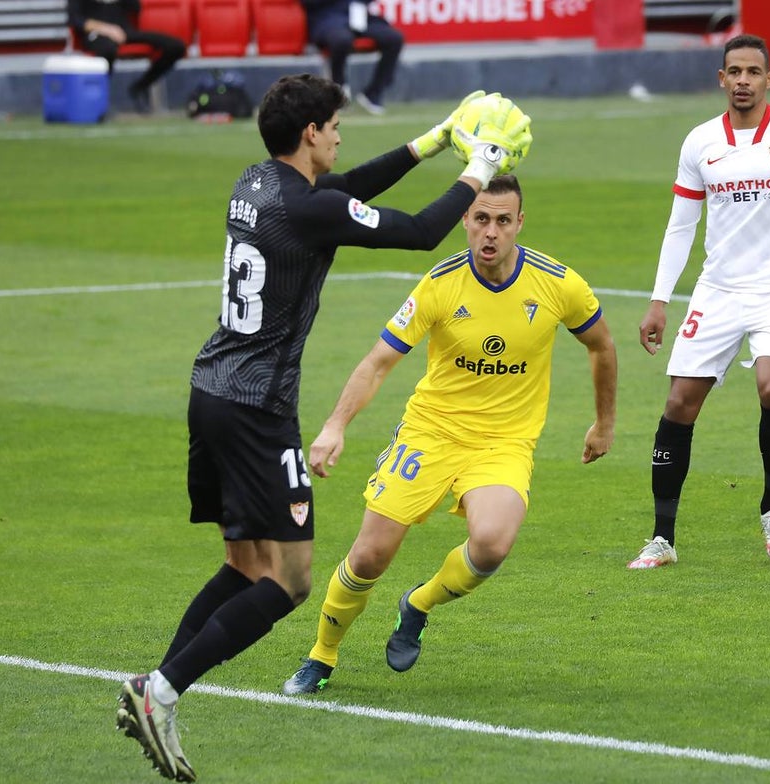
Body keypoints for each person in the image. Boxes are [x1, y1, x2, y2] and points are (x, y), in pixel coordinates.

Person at [113, 77, 530, 782]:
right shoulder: (310, 211)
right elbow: (420, 231)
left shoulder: (256, 183)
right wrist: (478, 167)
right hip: (257, 413)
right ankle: (159, 693)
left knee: (245, 568)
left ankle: (158, 690)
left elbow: (340, 196)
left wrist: (429, 143)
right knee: (292, 580)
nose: (340, 137)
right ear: (310, 133)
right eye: (334, 126)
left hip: (210, 390)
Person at [281, 174, 617, 695]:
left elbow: (602, 346)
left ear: (519, 224)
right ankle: (321, 656)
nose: (490, 233)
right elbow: (378, 363)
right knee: (369, 556)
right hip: (430, 433)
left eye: (503, 221)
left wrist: (605, 421)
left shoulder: (558, 284)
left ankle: (418, 603)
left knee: (491, 544)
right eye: (480, 219)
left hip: (503, 444)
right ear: (465, 220)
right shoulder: (440, 284)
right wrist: (334, 425)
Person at [628, 34, 770, 570]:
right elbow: (680, 227)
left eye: (753, 71)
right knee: (679, 405)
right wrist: (659, 301)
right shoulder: (699, 142)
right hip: (718, 291)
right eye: (734, 71)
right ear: (721, 80)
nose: (743, 80)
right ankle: (662, 538)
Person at [67, 0, 187, 113]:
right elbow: (75, 19)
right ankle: (99, 100)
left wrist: (116, 30)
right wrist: (106, 29)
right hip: (95, 34)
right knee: (107, 50)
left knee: (176, 47)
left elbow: (135, 7)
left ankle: (140, 86)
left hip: (124, 33)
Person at [302, 0, 405, 115]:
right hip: (327, 18)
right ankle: (338, 89)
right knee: (342, 40)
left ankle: (374, 92)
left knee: (394, 39)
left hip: (358, 16)